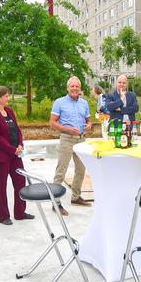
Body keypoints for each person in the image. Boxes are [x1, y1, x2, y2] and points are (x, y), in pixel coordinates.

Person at [0, 86, 34, 225]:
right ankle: (3, 216)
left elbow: (17, 130)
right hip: (0, 157)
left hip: (15, 155)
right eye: (6, 96)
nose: (8, 98)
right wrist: (12, 149)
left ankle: (20, 213)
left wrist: (20, 145)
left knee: (20, 181)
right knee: (1, 185)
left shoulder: (9, 111)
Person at [50, 76, 92, 215]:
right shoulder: (59, 102)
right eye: (72, 86)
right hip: (66, 139)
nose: (74, 88)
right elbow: (53, 123)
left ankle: (75, 197)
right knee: (60, 172)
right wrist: (67, 129)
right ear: (68, 88)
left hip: (81, 140)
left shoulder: (84, 103)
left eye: (77, 86)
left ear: (80, 88)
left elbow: (88, 121)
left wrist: (88, 126)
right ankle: (55, 203)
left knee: (81, 170)